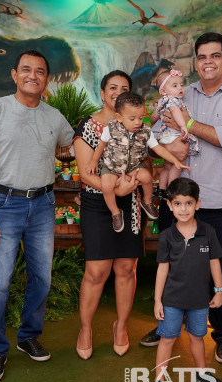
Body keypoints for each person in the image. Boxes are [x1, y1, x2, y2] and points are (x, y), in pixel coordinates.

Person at [0, 50, 75, 382]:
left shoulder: (54, 116)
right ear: (14, 75)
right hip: (3, 205)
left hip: (43, 205)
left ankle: (28, 336)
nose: (33, 75)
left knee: (41, 278)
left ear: (46, 79)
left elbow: (74, 145)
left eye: (40, 71)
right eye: (26, 69)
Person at [140, 32, 222, 366]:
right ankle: (167, 325)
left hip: (220, 202)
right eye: (202, 57)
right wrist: (168, 147)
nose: (208, 62)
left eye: (215, 56)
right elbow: (152, 140)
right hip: (178, 202)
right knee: (172, 268)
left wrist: (188, 123)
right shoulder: (180, 92)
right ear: (196, 62)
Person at [74, 71, 143, 360]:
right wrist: (116, 187)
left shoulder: (137, 124)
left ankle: (121, 326)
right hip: (96, 204)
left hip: (131, 203)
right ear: (102, 93)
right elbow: (85, 173)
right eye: (112, 87)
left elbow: (144, 163)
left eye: (124, 88)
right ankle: (85, 329)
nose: (118, 92)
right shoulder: (88, 126)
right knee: (96, 271)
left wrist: (132, 184)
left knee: (126, 269)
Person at [147, 178, 222, 382]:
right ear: (170, 205)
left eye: (189, 203)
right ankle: (158, 381)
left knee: (197, 337)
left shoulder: (208, 232)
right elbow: (162, 269)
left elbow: (214, 262)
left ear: (197, 204)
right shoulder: (167, 236)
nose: (184, 209)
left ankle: (202, 374)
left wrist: (219, 291)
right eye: (178, 203)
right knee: (167, 339)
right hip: (171, 300)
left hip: (199, 300)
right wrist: (157, 300)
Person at [86, 91, 190, 232]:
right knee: (106, 185)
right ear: (119, 117)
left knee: (146, 177)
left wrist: (175, 160)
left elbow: (158, 148)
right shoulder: (110, 129)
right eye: (132, 118)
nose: (137, 122)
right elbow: (101, 146)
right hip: (112, 166)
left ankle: (147, 202)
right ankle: (115, 212)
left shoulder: (145, 131)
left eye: (140, 118)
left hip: (134, 165)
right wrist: (93, 161)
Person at [153, 68, 199, 192]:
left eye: (181, 85)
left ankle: (161, 189)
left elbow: (154, 117)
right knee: (178, 164)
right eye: (175, 86)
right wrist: (183, 125)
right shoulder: (173, 100)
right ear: (163, 91)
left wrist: (153, 121)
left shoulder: (162, 101)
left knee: (167, 166)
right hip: (174, 136)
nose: (180, 88)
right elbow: (175, 111)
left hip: (165, 136)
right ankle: (171, 188)